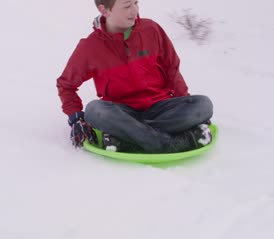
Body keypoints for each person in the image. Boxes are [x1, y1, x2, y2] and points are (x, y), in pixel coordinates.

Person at [57, 0, 213, 153]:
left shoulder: (151, 29)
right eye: (127, 6)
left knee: (203, 105)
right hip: (121, 112)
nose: (134, 10)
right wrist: (76, 118)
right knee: (94, 110)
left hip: (161, 107)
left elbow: (171, 69)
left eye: (136, 3)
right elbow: (66, 85)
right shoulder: (90, 47)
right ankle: (169, 143)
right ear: (105, 10)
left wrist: (186, 107)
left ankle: (127, 138)